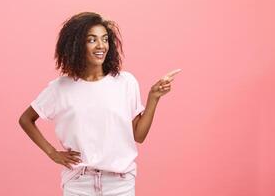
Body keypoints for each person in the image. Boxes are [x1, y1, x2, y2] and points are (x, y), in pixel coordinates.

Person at [18, 12, 181, 196]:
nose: (101, 45)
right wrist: (52, 153)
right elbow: (26, 119)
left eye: (104, 39)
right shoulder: (60, 88)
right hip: (79, 183)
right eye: (92, 40)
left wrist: (153, 97)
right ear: (76, 45)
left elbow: (139, 136)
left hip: (119, 184)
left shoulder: (125, 82)